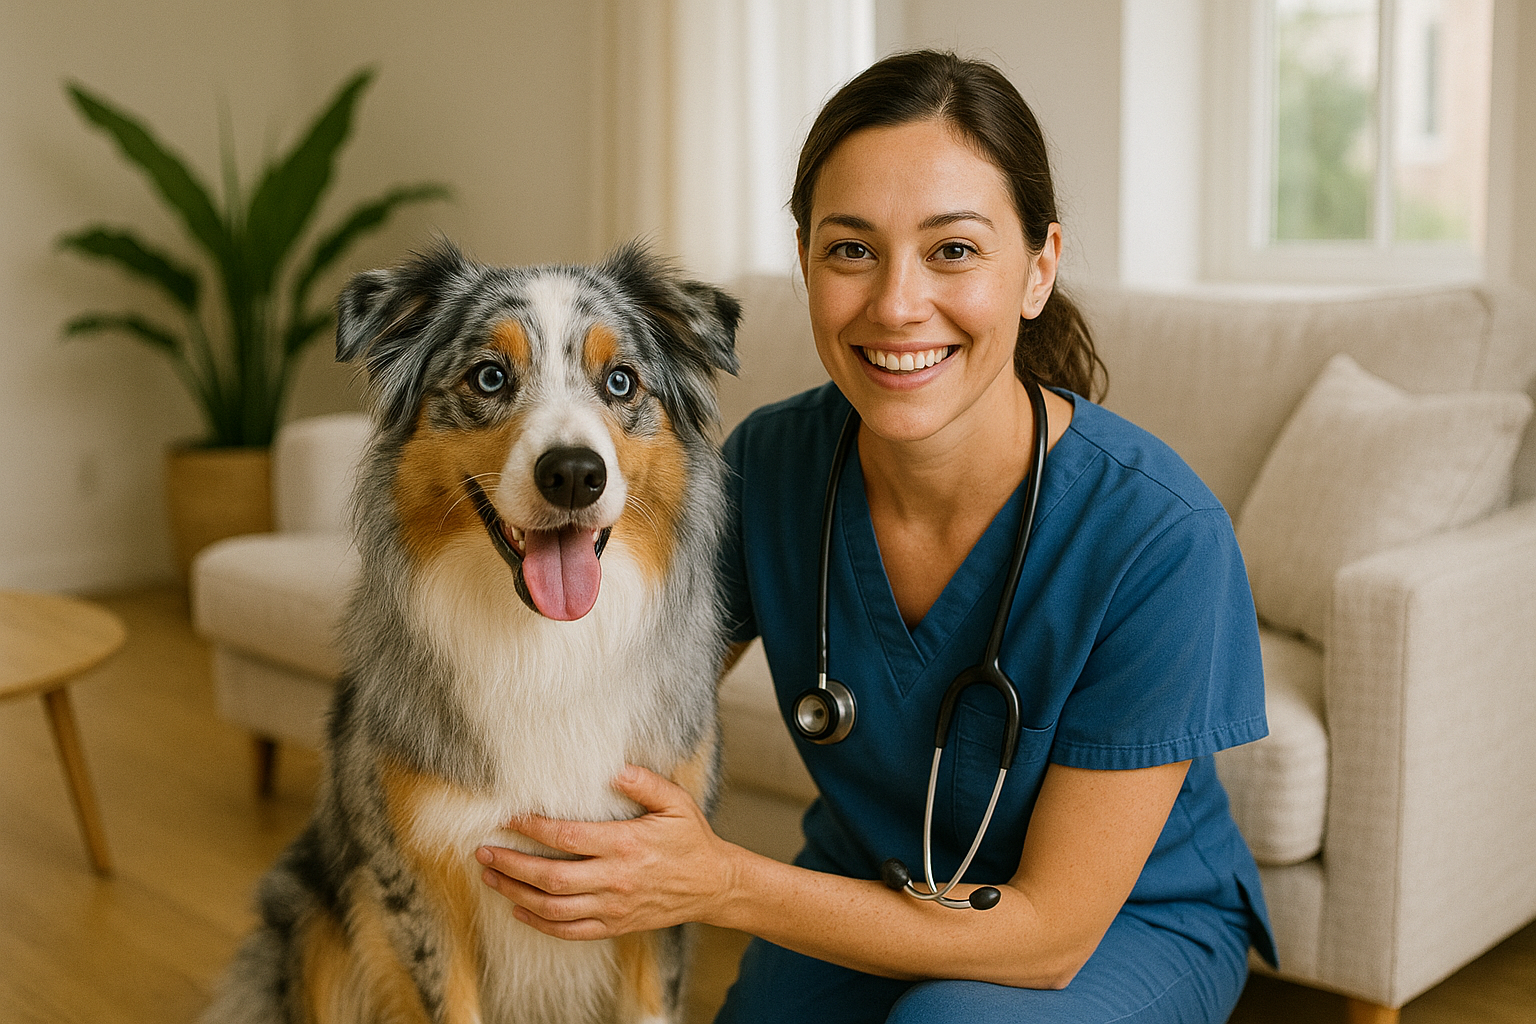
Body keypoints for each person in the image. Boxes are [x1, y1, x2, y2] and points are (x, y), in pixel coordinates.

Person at [476, 49, 1276, 1023]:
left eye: (953, 251)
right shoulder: (770, 467)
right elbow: (612, 689)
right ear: (807, 261)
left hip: (1119, 926)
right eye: (852, 249)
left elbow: (1051, 932)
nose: (897, 304)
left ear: (1039, 268)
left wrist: (721, 882)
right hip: (873, 882)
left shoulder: (1159, 537)